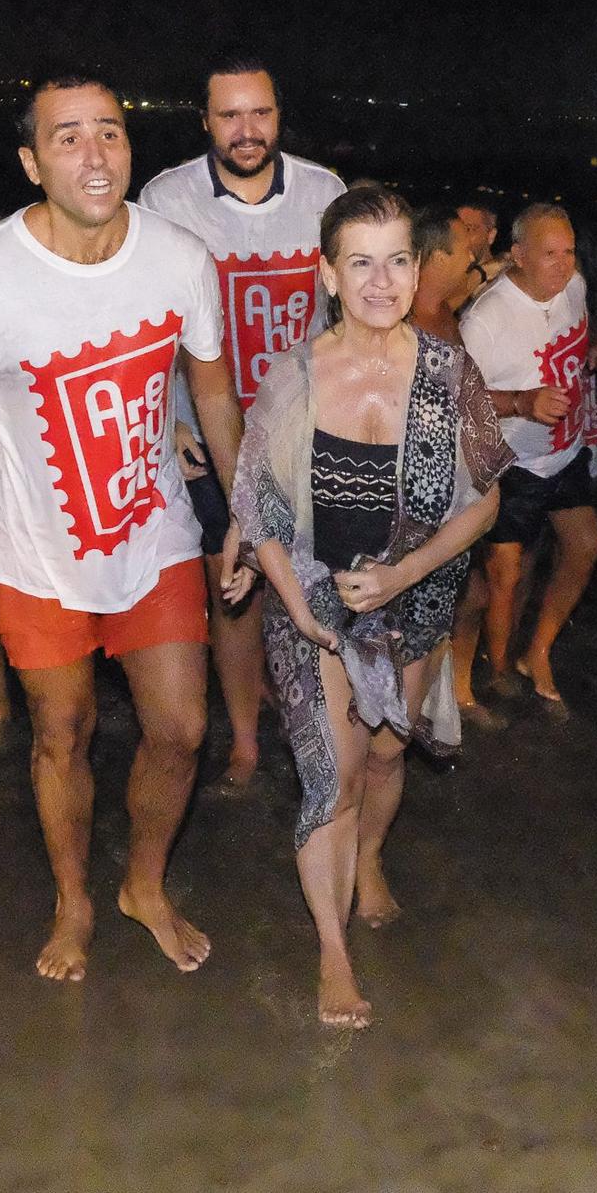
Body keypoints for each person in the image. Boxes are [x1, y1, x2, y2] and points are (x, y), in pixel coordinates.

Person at [0, 72, 251, 982]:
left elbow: (212, 388)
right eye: (67, 137)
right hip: (31, 553)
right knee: (61, 732)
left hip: (153, 535)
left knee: (180, 730)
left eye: (110, 131)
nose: (94, 153)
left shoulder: (179, 257)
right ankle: (74, 898)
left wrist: (246, 511)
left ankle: (144, 884)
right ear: (30, 161)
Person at [233, 185, 510, 1028]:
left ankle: (375, 857)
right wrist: (298, 606)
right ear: (328, 273)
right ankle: (333, 951)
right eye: (362, 262)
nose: (383, 281)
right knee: (334, 775)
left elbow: (486, 500)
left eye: (398, 260)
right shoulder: (293, 375)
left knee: (388, 754)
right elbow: (260, 506)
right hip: (314, 598)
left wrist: (404, 575)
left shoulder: (448, 371)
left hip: (416, 596)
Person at [139, 55, 346, 790]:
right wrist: (166, 419)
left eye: (259, 112)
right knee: (233, 585)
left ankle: (314, 718)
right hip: (209, 432)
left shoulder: (325, 193)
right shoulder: (167, 197)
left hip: (307, 434)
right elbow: (145, 320)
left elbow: (352, 311)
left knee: (316, 580)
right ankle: (247, 738)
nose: (246, 129)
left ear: (279, 115)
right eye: (229, 115)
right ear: (205, 122)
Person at [455, 204, 597, 719]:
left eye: (569, 252)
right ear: (517, 256)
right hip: (508, 459)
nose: (563, 264)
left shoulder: (576, 288)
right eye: (549, 254)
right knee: (503, 575)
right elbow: (458, 397)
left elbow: (582, 341)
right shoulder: (487, 318)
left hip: (562, 451)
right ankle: (494, 673)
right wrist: (522, 401)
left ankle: (536, 649)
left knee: (585, 544)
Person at [408, 205, 480, 343]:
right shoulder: (404, 326)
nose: (472, 258)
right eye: (467, 250)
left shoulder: (441, 308)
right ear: (440, 259)